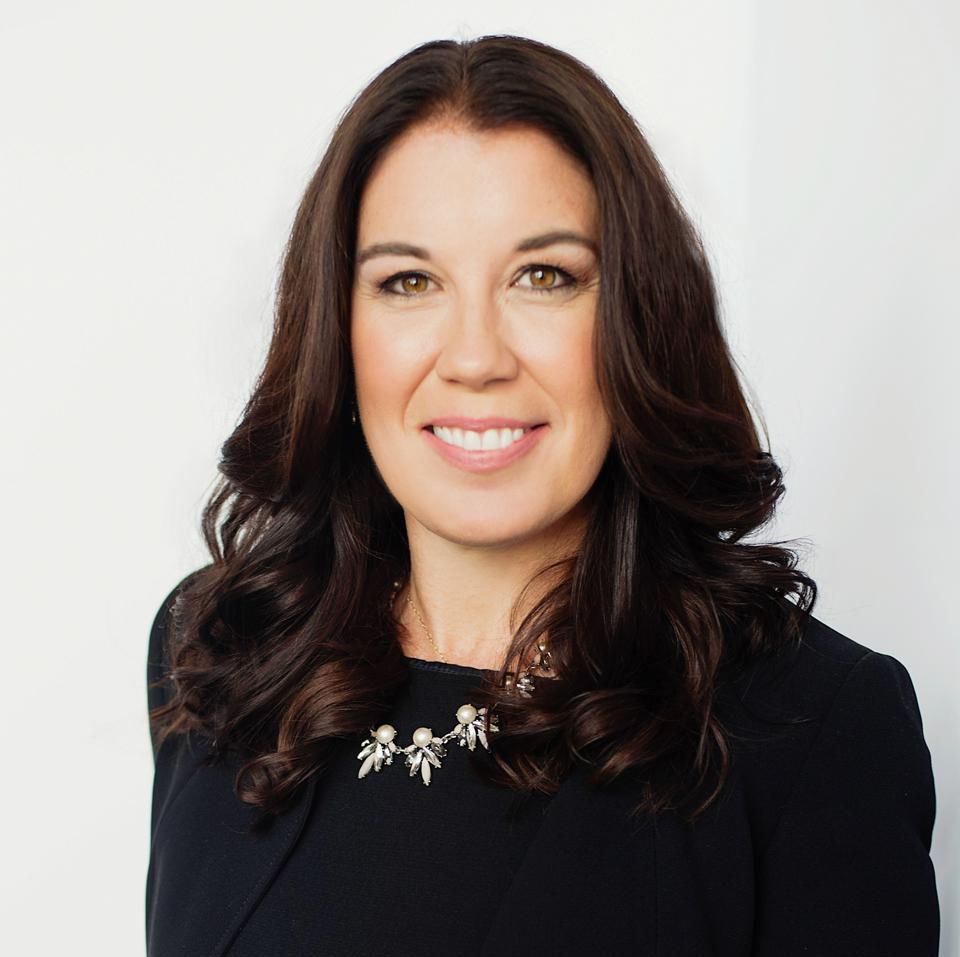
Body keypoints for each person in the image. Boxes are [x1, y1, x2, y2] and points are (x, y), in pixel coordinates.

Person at [145, 35, 940, 957]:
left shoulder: (809, 726)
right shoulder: (221, 653)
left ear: (634, 320)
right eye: (409, 282)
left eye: (544, 277)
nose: (476, 355)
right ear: (338, 330)